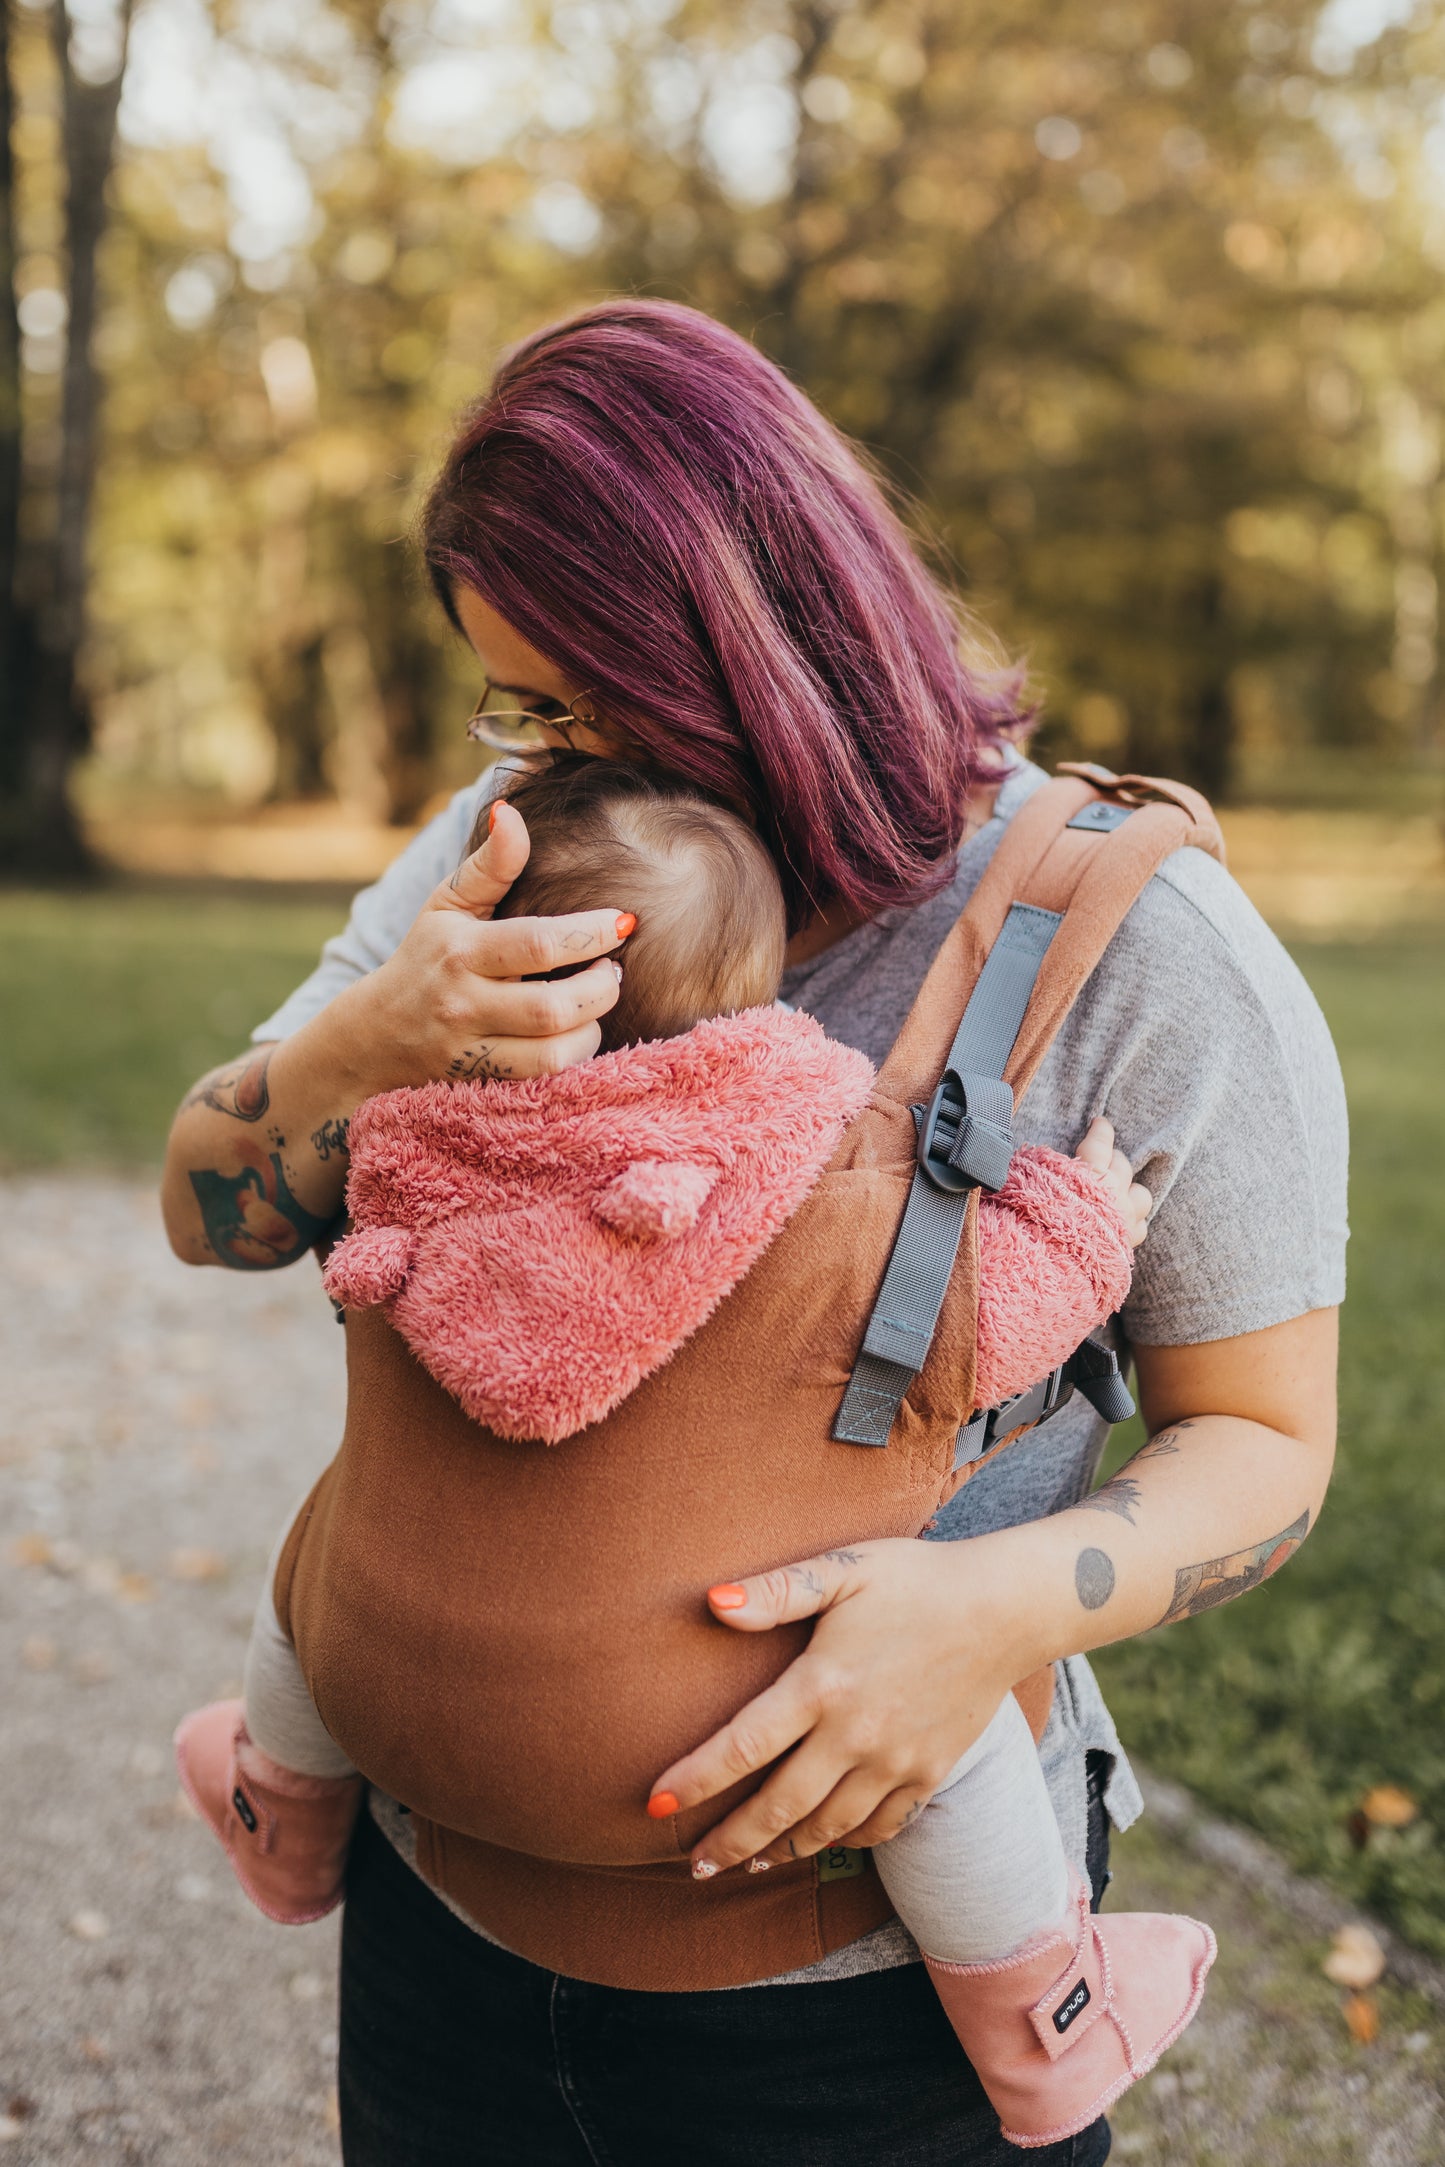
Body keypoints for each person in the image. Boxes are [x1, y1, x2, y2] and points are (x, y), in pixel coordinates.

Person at [162, 299, 1345, 2167]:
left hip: (850, 2018)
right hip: (438, 1925)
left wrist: (983, 1612)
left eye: (591, 703)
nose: (547, 762)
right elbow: (209, 1214)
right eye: (520, 707)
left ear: (776, 647)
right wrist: (372, 1041)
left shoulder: (1144, 960)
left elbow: (1269, 1445)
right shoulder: (511, 848)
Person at [173, 754, 1211, 2147]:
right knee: (951, 1739)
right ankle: (1037, 2011)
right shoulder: (825, 1204)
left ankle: (280, 1814)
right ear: (766, 995)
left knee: (319, 1554)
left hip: (389, 1704)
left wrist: (377, 1048)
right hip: (707, 1766)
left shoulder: (397, 1154)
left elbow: (247, 1195)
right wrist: (1090, 1226)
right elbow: (996, 1322)